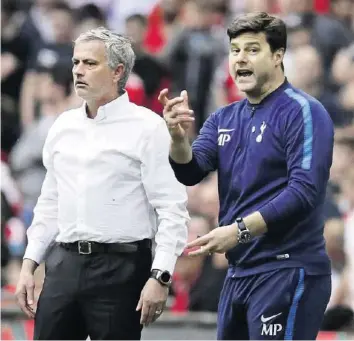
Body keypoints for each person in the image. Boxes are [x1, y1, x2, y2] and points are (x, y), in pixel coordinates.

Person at [159, 12, 334, 340]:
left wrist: (239, 231)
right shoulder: (223, 117)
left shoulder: (304, 112)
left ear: (278, 55)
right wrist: (178, 138)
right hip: (240, 272)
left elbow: (304, 191)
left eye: (252, 50)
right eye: (235, 50)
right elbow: (190, 171)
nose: (240, 58)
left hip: (288, 267)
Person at [15, 27, 189, 340]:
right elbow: (50, 203)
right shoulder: (62, 126)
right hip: (64, 264)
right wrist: (29, 263)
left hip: (121, 268)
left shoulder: (148, 128)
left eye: (90, 64)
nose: (78, 71)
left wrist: (160, 276)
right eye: (75, 62)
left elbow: (172, 208)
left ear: (117, 71)